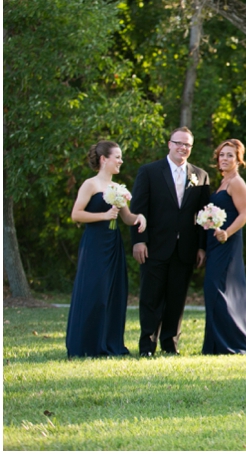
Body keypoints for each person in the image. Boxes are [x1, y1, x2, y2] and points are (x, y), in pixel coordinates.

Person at [130, 127, 210, 356]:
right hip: (154, 246)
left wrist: (202, 246)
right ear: (169, 144)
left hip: (185, 247)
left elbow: (205, 215)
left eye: (187, 145)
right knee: (150, 298)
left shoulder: (200, 175)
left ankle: (169, 345)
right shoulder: (149, 172)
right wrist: (139, 241)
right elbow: (138, 209)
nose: (182, 148)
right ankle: (147, 346)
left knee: (176, 299)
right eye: (178, 143)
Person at [67, 141, 146, 358]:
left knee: (113, 293)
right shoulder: (90, 185)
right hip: (94, 244)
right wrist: (103, 216)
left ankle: (110, 343)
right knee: (94, 293)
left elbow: (127, 217)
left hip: (114, 244)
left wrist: (139, 217)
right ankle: (87, 345)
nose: (121, 161)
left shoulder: (117, 188)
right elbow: (76, 214)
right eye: (117, 157)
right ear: (104, 159)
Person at [202, 139, 246, 354]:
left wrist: (227, 232)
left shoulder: (236, 182)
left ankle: (231, 343)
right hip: (215, 241)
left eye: (230, 156)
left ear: (238, 160)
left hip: (228, 243)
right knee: (214, 289)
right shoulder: (223, 182)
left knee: (218, 288)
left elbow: (245, 213)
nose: (224, 159)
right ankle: (216, 344)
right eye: (222, 155)